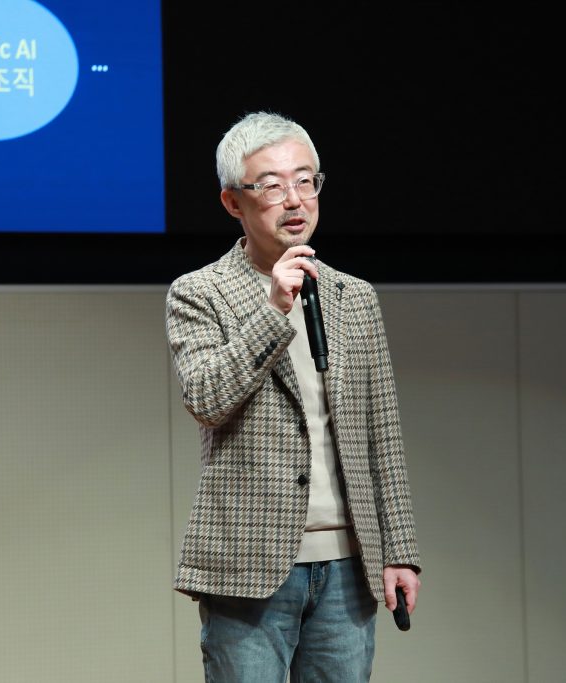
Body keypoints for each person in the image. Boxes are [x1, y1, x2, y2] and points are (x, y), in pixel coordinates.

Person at [165, 111, 421, 682]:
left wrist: (399, 550)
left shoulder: (353, 296)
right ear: (233, 202)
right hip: (248, 566)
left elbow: (382, 432)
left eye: (306, 181)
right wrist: (273, 309)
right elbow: (206, 398)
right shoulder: (199, 293)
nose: (295, 200)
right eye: (273, 186)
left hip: (349, 567)